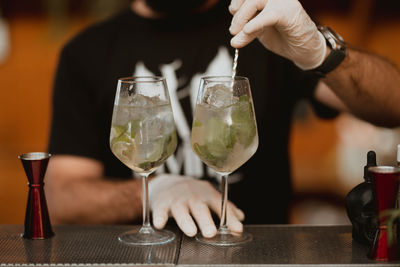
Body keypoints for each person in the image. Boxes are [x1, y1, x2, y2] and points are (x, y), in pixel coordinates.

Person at [45, 0, 400, 239]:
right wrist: (150, 192)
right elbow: (61, 198)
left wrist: (319, 51)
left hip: (257, 254)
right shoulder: (87, 52)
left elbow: (393, 107)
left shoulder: (266, 26)